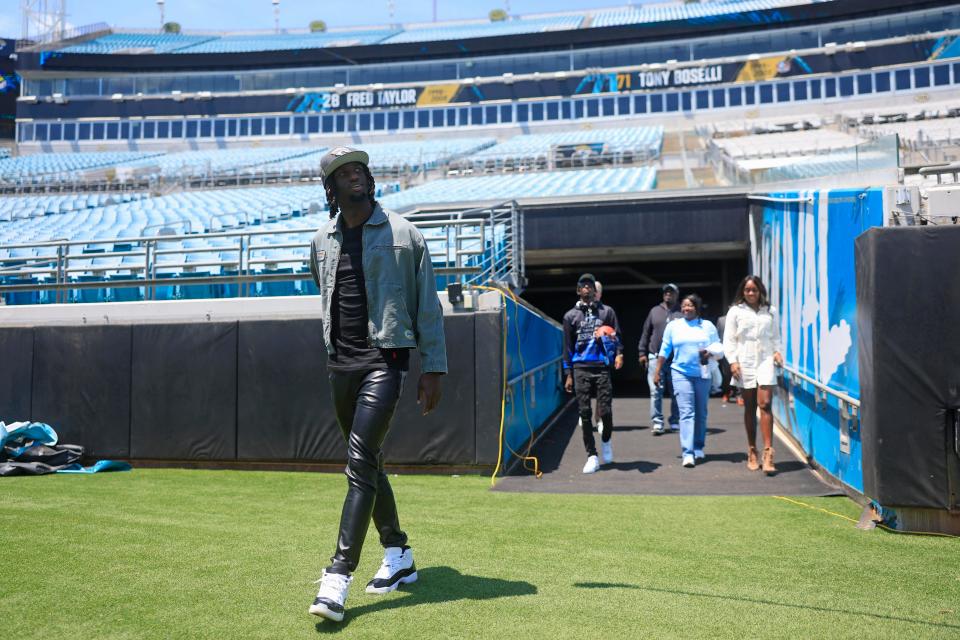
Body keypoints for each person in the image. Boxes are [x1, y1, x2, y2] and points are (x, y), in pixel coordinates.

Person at [307, 147, 447, 622]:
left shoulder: (404, 232)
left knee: (359, 462)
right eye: (345, 174)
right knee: (370, 463)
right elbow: (324, 293)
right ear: (331, 188)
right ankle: (399, 555)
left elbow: (427, 302)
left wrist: (434, 367)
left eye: (360, 170)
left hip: (384, 361)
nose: (356, 177)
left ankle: (336, 577)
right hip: (340, 365)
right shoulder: (321, 240)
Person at [562, 273, 624, 474]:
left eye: (590, 285)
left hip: (601, 366)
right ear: (579, 291)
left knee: (605, 411)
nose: (587, 288)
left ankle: (606, 440)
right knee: (585, 414)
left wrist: (619, 354)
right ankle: (592, 456)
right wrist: (568, 373)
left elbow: (617, 336)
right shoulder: (571, 316)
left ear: (595, 291)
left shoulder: (607, 312)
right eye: (583, 285)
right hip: (581, 368)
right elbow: (567, 348)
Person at [654, 294, 723, 468]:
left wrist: (709, 352)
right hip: (680, 373)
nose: (686, 308)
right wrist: (657, 371)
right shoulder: (674, 326)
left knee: (701, 412)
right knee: (686, 412)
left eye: (690, 305)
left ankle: (699, 445)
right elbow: (665, 348)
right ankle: (688, 452)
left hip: (702, 373)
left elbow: (718, 347)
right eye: (684, 305)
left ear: (697, 308)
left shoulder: (707, 326)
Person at [723, 275, 783, 475]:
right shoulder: (735, 312)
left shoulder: (770, 311)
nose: (751, 293)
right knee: (749, 406)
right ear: (743, 291)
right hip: (744, 361)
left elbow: (776, 336)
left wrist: (777, 351)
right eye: (747, 290)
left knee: (765, 404)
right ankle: (752, 450)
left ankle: (768, 453)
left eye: (754, 290)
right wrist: (732, 361)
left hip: (765, 359)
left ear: (760, 291)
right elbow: (729, 339)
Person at [637, 284, 681, 435]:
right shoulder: (654, 311)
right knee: (656, 391)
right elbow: (645, 332)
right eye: (666, 292)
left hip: (675, 359)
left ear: (677, 295)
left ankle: (675, 421)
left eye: (671, 292)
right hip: (655, 357)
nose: (668, 294)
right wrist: (642, 352)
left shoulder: (681, 313)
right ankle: (657, 422)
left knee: (676, 391)